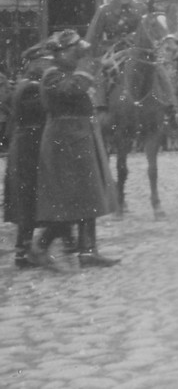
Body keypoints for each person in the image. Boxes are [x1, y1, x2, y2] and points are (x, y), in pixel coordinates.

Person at [33, 29, 121, 269]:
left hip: (80, 137)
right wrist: (89, 67)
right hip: (64, 142)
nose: (78, 55)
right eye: (75, 51)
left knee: (89, 195)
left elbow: (81, 88)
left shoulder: (69, 72)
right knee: (69, 201)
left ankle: (88, 251)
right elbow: (70, 91)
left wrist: (99, 67)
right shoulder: (51, 74)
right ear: (60, 53)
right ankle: (40, 247)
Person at [5, 41, 54, 268]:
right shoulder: (32, 87)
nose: (47, 66)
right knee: (27, 199)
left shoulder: (26, 84)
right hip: (29, 148)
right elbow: (41, 114)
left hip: (25, 146)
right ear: (35, 63)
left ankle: (23, 249)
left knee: (27, 198)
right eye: (44, 62)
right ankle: (23, 251)